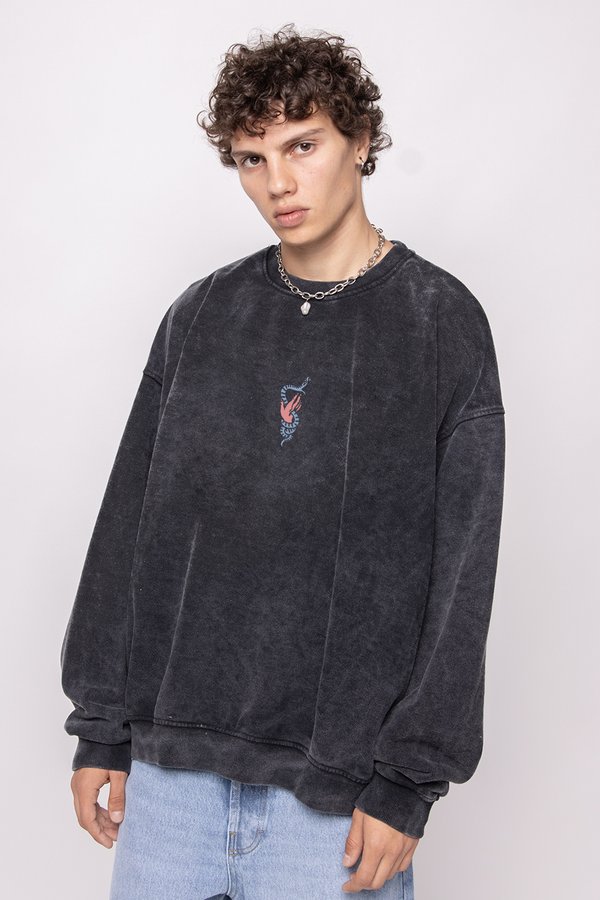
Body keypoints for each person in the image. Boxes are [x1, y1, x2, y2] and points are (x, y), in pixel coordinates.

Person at [60, 23, 506, 899]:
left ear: (360, 140)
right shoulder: (202, 316)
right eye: (251, 158)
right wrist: (101, 727)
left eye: (303, 145)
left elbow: (463, 572)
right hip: (171, 783)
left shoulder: (438, 323)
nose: (278, 182)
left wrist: (408, 781)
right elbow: (129, 530)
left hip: (336, 802)